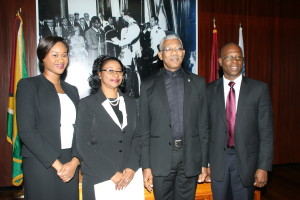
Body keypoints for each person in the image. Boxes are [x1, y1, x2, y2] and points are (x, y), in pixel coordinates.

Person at [140, 34, 209, 200]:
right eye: (168, 49)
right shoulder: (148, 85)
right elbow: (144, 129)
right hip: (160, 158)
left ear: (184, 53)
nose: (174, 53)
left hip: (190, 157)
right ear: (160, 55)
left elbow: (204, 127)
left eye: (178, 48)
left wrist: (204, 163)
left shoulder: (198, 83)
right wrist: (146, 166)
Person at [206, 43, 274, 200]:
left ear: (243, 61)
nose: (234, 61)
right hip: (217, 162)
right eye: (229, 57)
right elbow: (204, 130)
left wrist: (263, 167)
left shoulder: (259, 89)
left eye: (238, 57)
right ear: (220, 61)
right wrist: (205, 164)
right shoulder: (208, 91)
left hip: (247, 162)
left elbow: (266, 132)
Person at [16, 36, 80, 200]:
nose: (61, 59)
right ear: (42, 57)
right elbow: (27, 131)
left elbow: (81, 130)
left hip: (70, 163)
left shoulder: (72, 90)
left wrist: (74, 162)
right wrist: (58, 165)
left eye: (64, 55)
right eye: (55, 54)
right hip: (41, 162)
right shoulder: (28, 86)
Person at [76, 55, 142, 200]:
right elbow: (82, 145)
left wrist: (131, 168)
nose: (116, 74)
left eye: (119, 71)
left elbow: (138, 138)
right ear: (99, 74)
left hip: (128, 178)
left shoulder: (131, 103)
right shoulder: (87, 104)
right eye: (110, 70)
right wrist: (111, 173)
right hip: (98, 177)